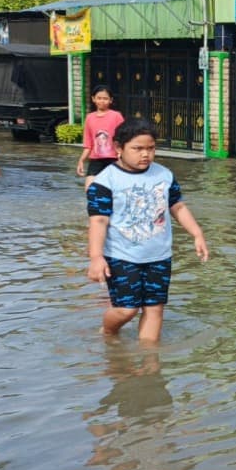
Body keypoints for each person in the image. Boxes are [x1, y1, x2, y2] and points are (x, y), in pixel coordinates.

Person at [86, 119, 209, 342]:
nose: (145, 154)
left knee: (154, 308)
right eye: (137, 149)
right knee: (127, 309)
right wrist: (96, 257)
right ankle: (108, 332)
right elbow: (98, 222)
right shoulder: (105, 182)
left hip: (159, 256)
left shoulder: (164, 175)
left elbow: (178, 206)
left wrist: (197, 234)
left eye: (151, 148)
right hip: (121, 256)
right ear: (118, 148)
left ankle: (150, 363)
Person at [75, 85, 124, 190]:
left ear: (111, 100)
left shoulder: (116, 116)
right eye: (99, 98)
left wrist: (121, 153)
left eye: (105, 98)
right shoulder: (89, 118)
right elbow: (88, 144)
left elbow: (124, 136)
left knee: (114, 189)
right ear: (93, 99)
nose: (102, 101)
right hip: (96, 160)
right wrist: (81, 160)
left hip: (114, 159)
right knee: (89, 189)